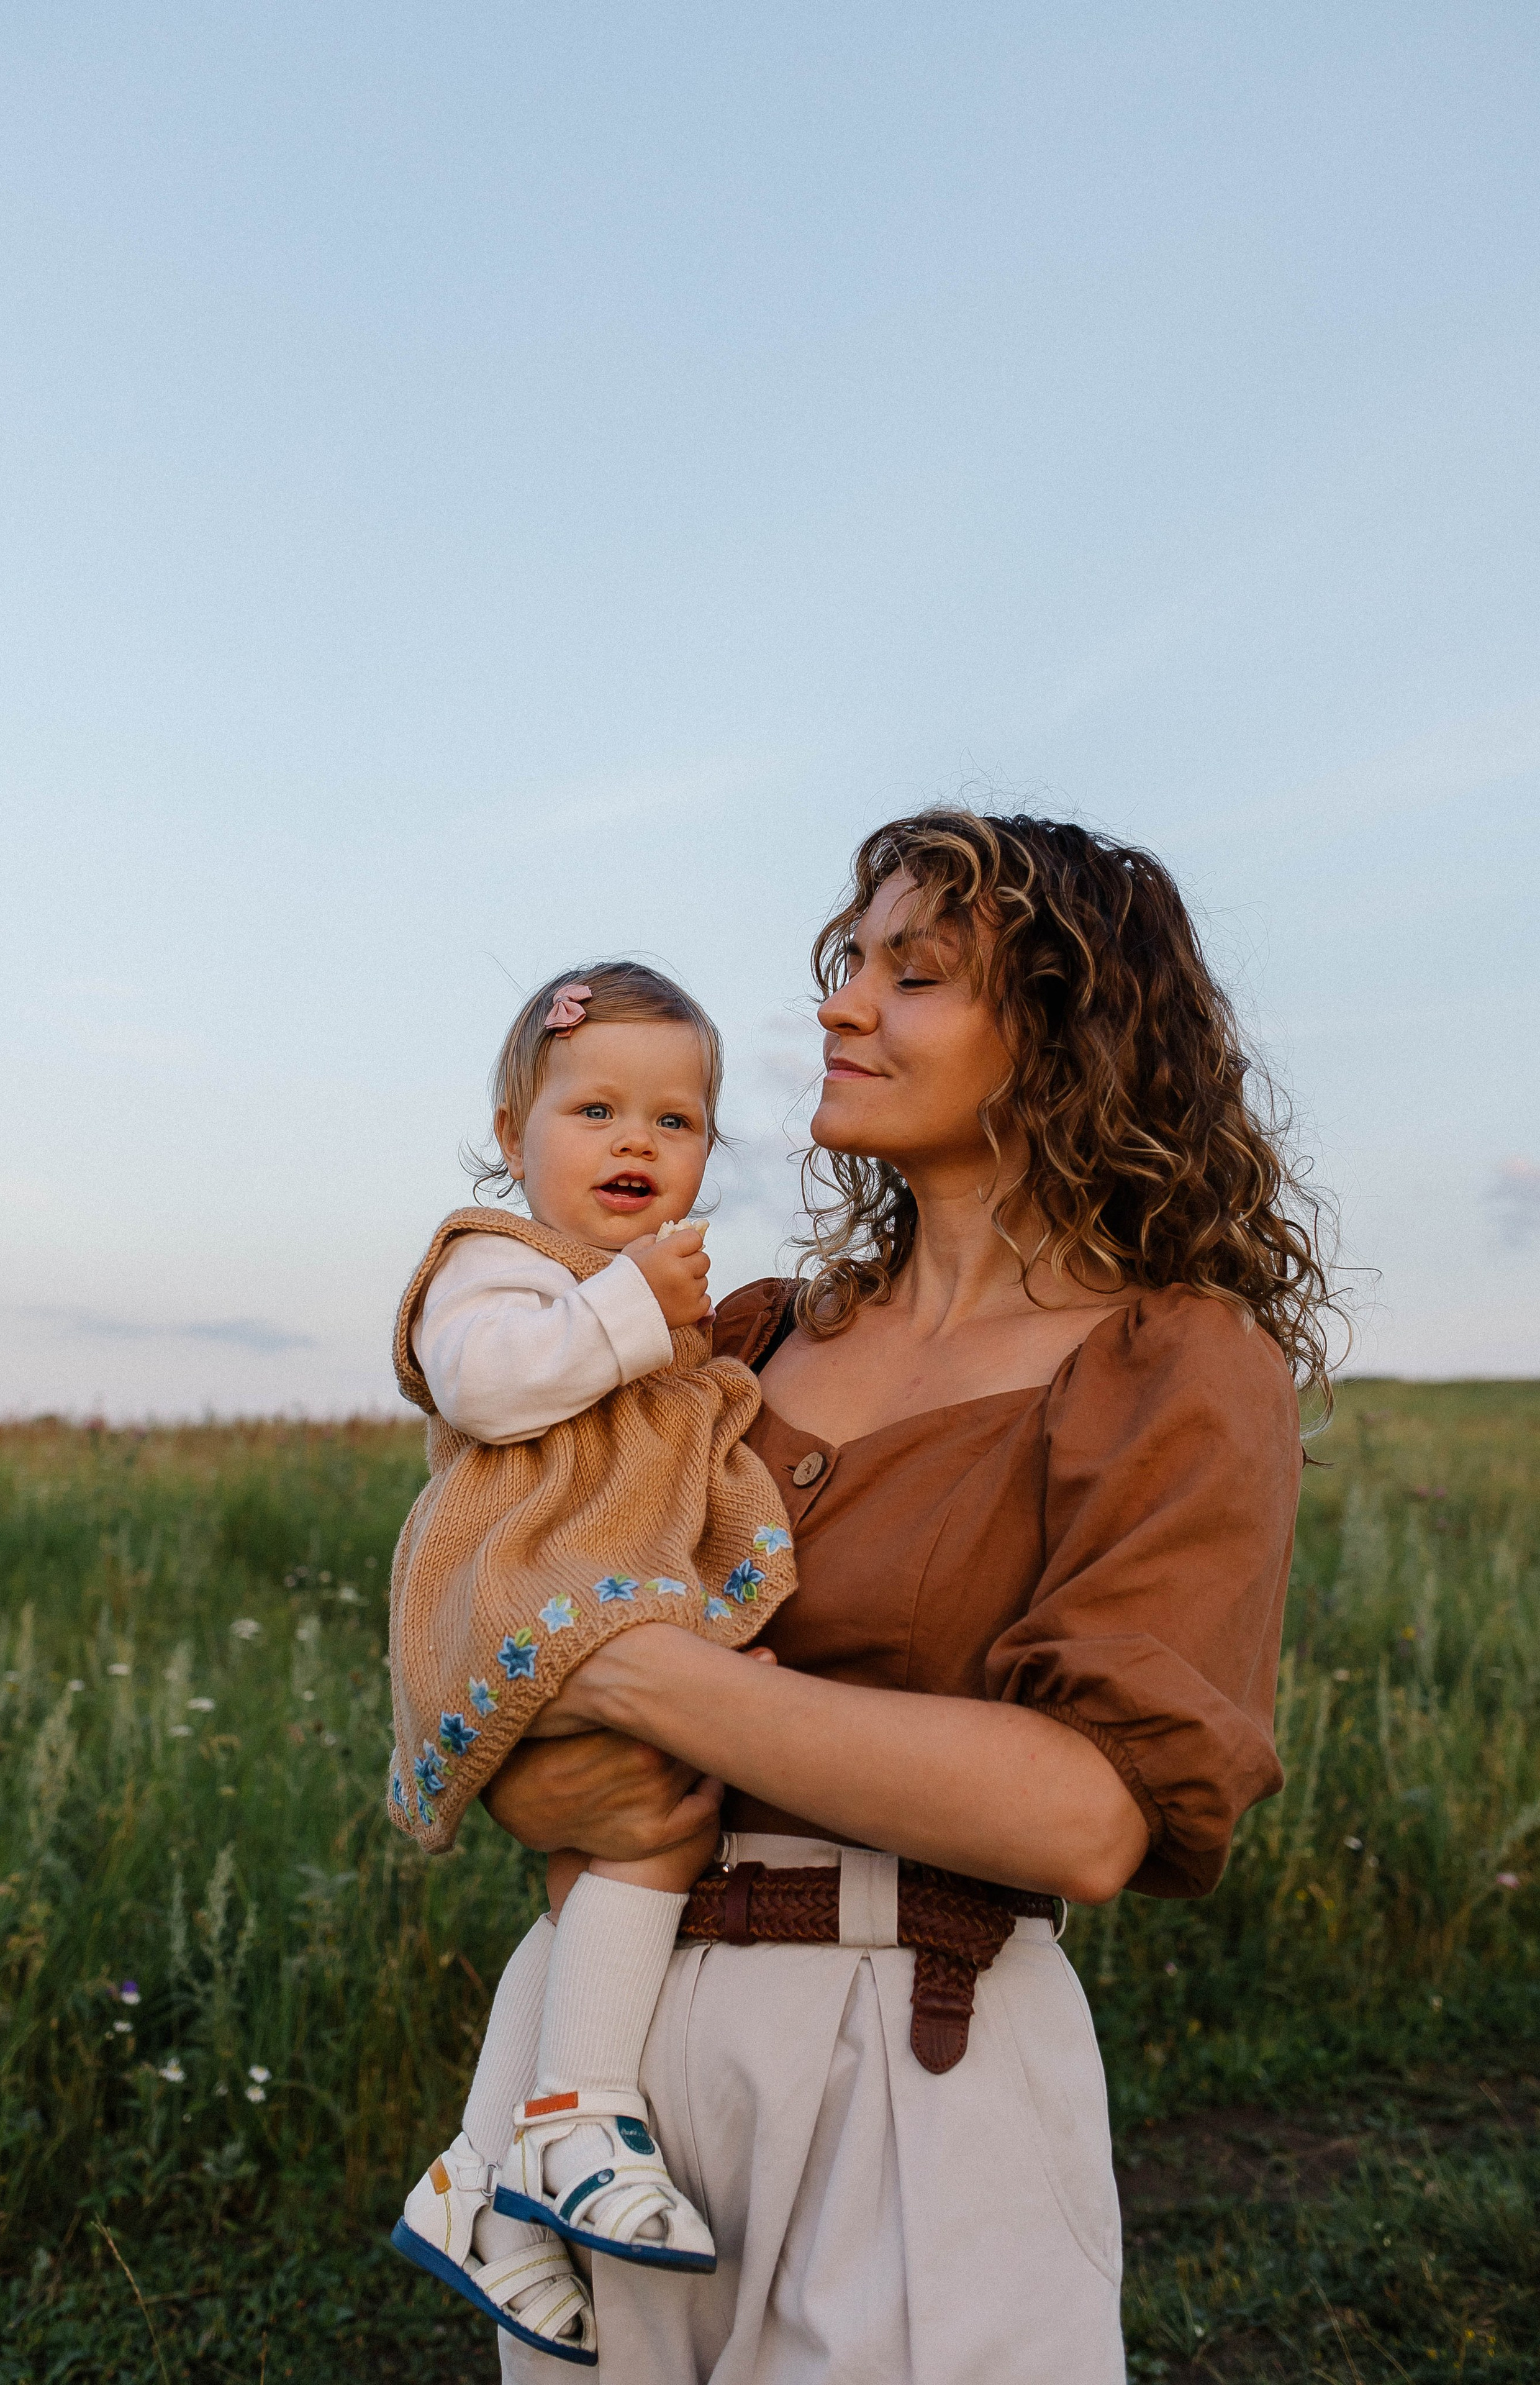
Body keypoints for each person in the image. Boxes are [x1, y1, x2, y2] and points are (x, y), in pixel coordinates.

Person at [479, 810, 1331, 2384]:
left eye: (914, 973)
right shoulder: (731, 1338)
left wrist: (641, 1679)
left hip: (917, 2061)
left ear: (1066, 1034)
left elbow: (1086, 1812)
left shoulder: (1172, 1365)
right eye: (847, 961)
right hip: (601, 2060)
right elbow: (497, 1646)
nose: (839, 1005)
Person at [389, 961, 795, 2364]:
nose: (636, 1142)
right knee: (655, 1829)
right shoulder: (489, 1262)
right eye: (596, 1109)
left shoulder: (636, 1294)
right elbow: (488, 1382)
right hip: (515, 1596)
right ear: (514, 1136)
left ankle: (480, 2174)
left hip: (586, 1600)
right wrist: (630, 1307)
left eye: (675, 1122)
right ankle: (574, 2108)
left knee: (612, 1862)